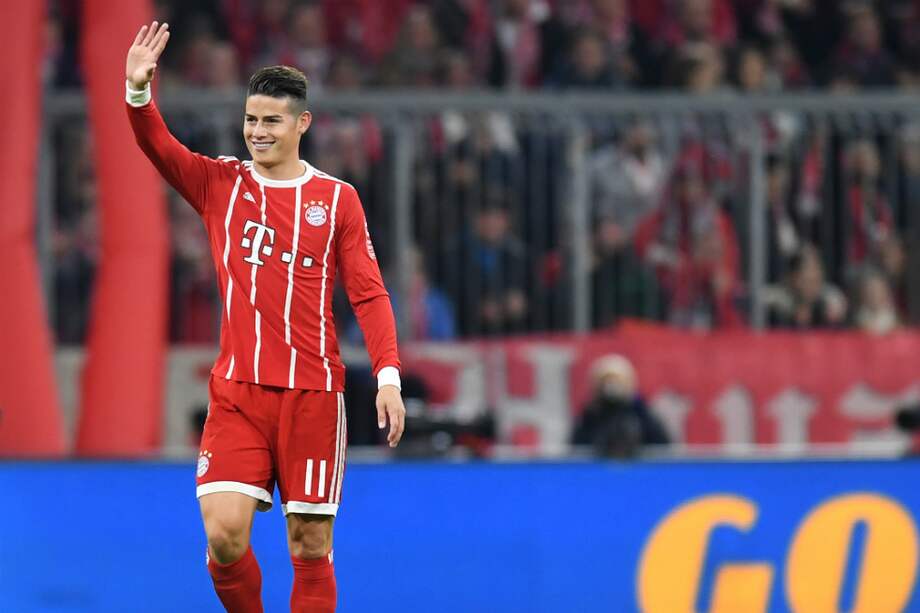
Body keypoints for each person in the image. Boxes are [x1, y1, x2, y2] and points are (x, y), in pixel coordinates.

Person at [124, 22, 406, 613]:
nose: (257, 132)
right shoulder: (219, 184)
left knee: (309, 543)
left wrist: (387, 377)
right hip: (238, 394)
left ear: (302, 123)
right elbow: (160, 148)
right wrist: (139, 92)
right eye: (251, 120)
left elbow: (369, 293)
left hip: (314, 393)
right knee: (224, 535)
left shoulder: (336, 199)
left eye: (271, 121)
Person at [571, 354, 670, 458]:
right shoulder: (590, 416)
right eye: (606, 380)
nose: (611, 385)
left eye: (618, 380)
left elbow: (663, 448)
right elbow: (576, 450)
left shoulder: (641, 414)